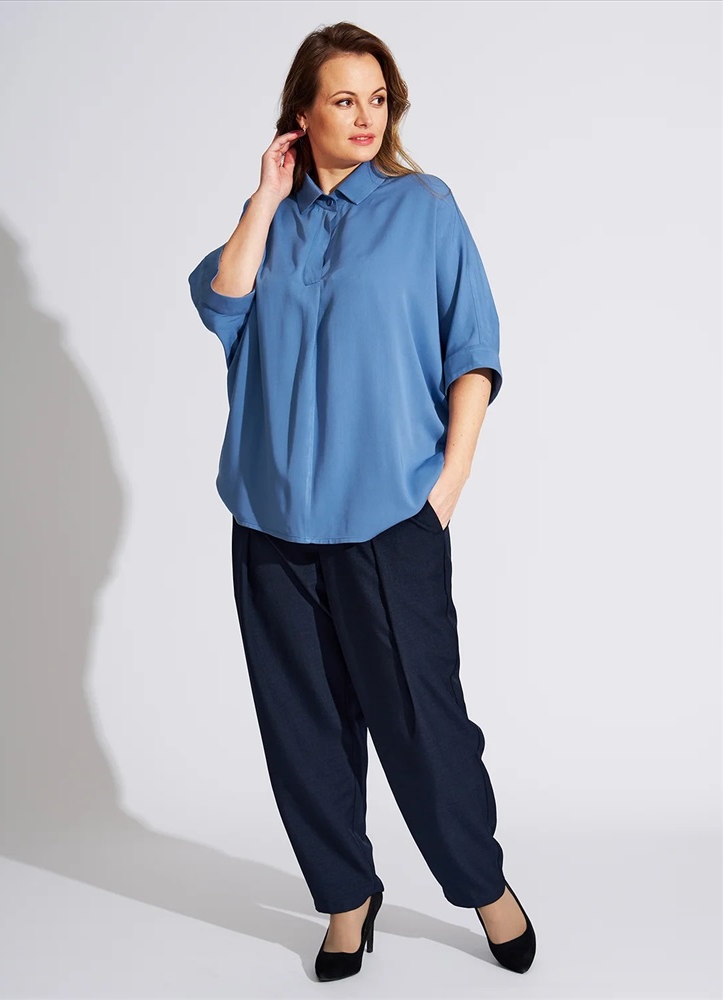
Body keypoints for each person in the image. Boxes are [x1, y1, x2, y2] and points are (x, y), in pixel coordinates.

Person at [188, 20, 536, 983]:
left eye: (378, 99)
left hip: (391, 518)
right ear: (302, 113)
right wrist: (266, 196)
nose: (365, 116)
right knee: (302, 728)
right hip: (271, 519)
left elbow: (473, 349)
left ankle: (482, 884)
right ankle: (347, 899)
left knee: (424, 724)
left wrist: (447, 487)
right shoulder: (269, 219)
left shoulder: (424, 208)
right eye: (344, 99)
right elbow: (221, 304)